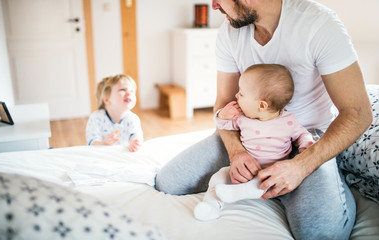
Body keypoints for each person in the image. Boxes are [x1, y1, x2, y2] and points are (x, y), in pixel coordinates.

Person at [155, 0, 372, 239]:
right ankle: (269, 185)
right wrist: (236, 151)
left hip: (307, 141)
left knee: (320, 232)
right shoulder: (230, 32)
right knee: (169, 182)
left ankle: (322, 186)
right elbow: (224, 102)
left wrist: (301, 166)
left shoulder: (318, 25)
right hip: (247, 131)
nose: (214, 6)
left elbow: (358, 112)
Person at [194, 64, 314, 221]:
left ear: (262, 105)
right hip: (243, 170)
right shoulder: (242, 118)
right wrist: (223, 115)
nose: (236, 95)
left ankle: (236, 194)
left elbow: (302, 134)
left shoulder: (288, 122)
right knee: (219, 176)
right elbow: (223, 126)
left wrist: (306, 144)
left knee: (263, 185)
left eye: (242, 94)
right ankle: (210, 205)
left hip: (268, 173)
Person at [86, 74, 143, 152]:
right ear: (107, 100)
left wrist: (135, 142)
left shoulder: (133, 118)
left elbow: (135, 135)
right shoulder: (96, 118)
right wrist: (103, 144)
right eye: (122, 90)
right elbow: (91, 142)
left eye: (132, 90)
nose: (129, 93)